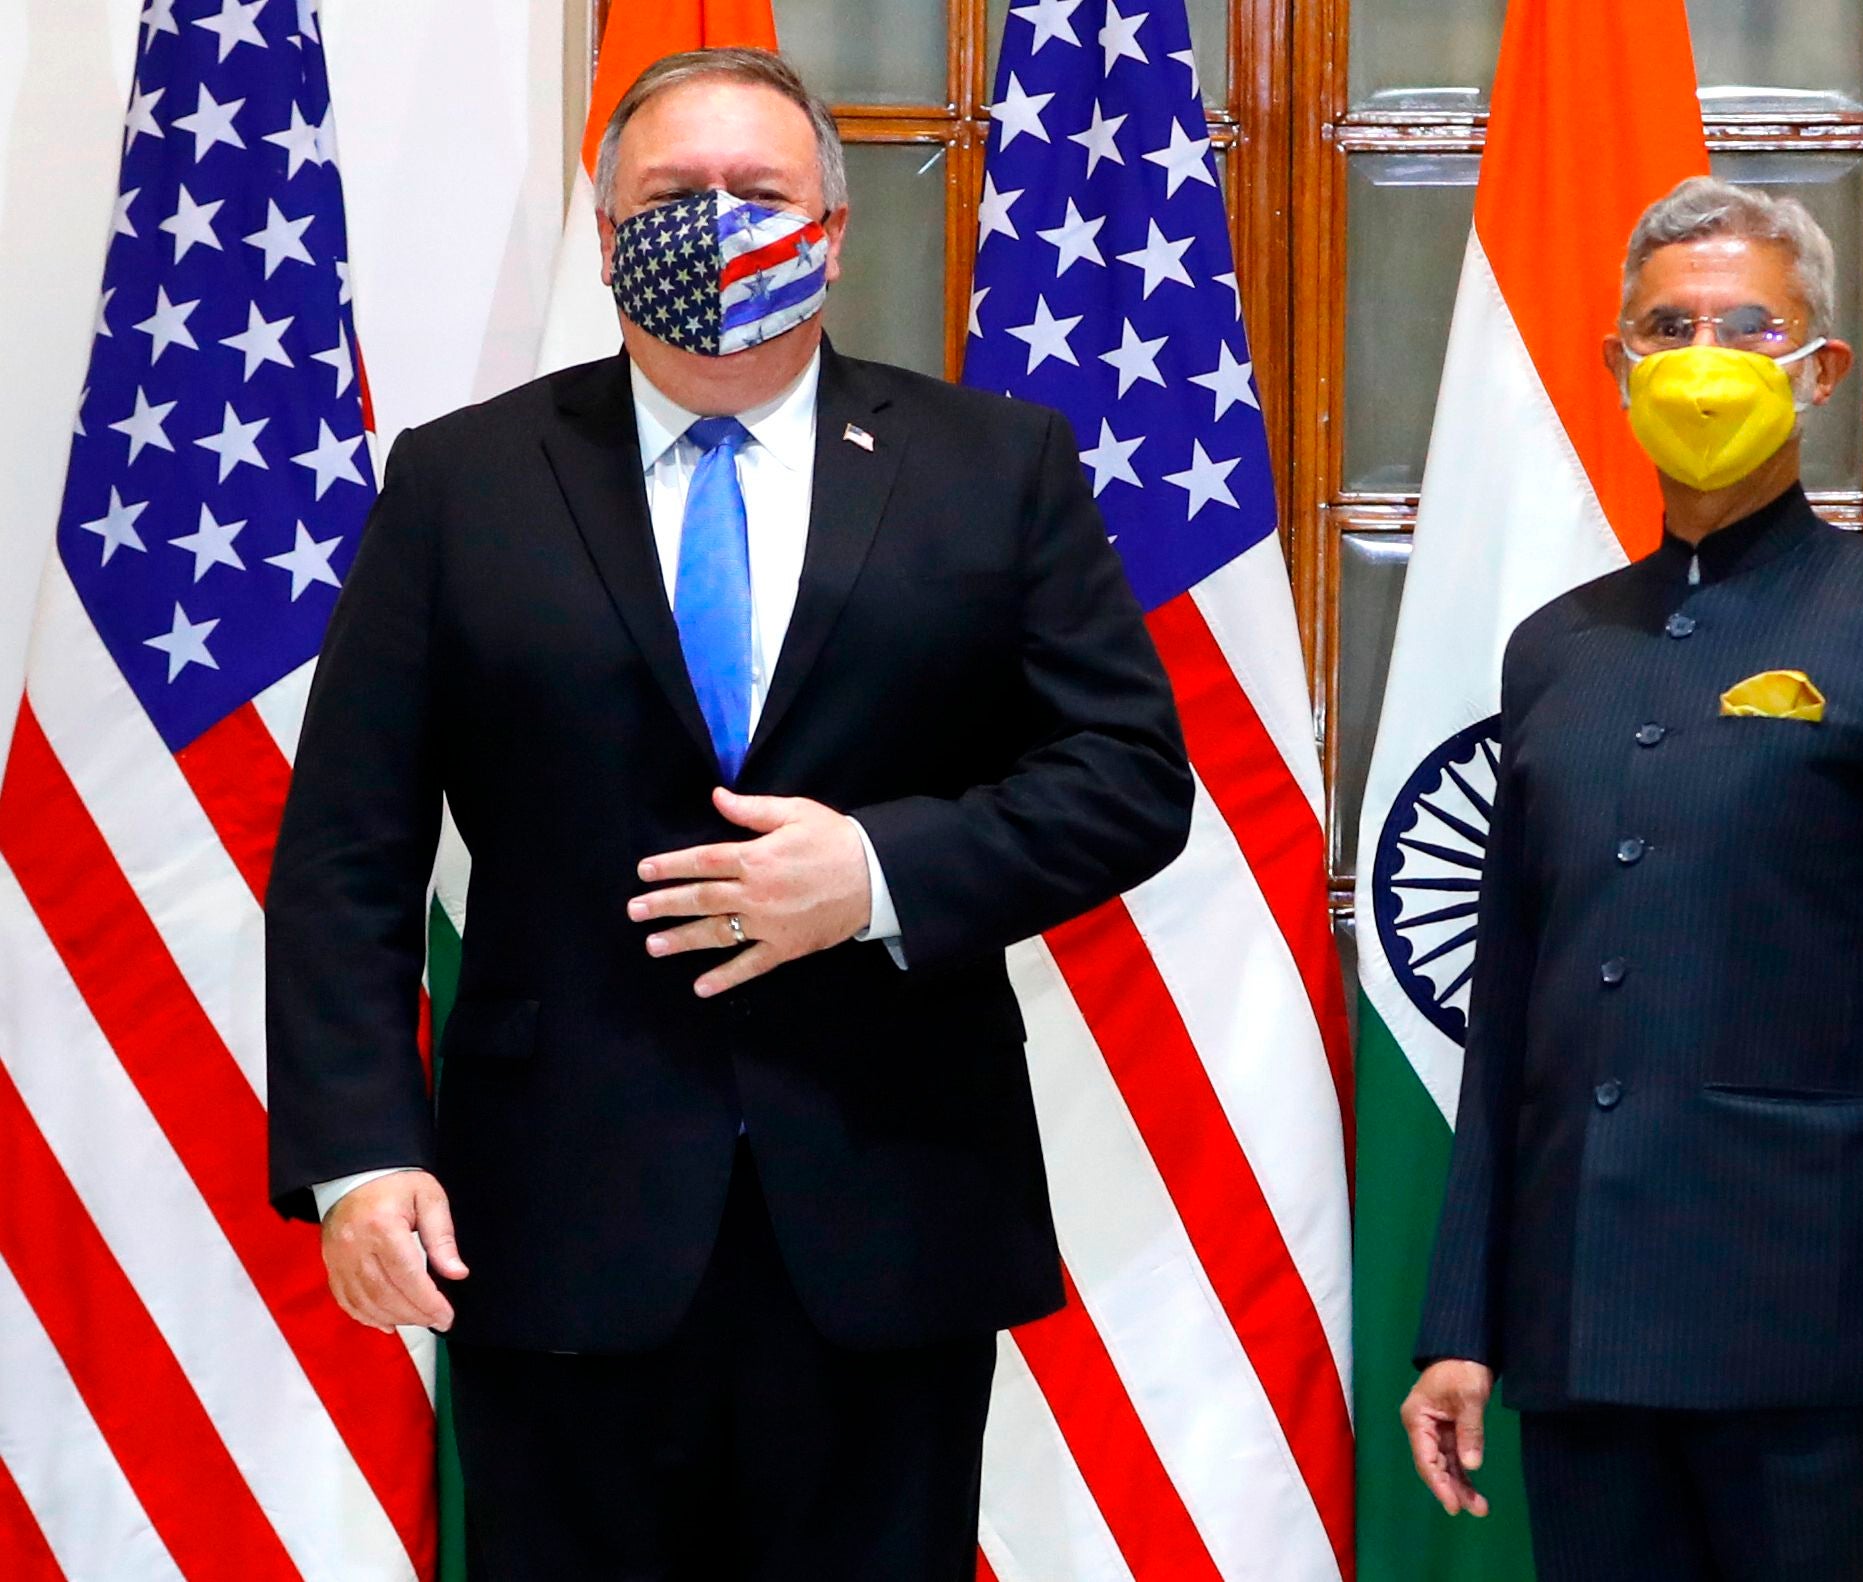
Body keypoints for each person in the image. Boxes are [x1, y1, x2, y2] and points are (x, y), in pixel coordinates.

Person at [265, 47, 1193, 1581]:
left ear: (828, 227)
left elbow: (1126, 776)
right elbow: (348, 850)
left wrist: (881, 868)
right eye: (670, 196)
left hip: (887, 1205)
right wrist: (361, 1155)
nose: (711, 222)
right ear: (607, 219)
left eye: (754, 193)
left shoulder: (992, 467)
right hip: (551, 1221)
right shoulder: (463, 482)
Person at [1399, 175, 1863, 1581]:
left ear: (1816, 367)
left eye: (1745, 327)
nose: (1702, 358)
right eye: (1666, 327)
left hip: (1813, 1334)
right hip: (1581, 1332)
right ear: (1617, 361)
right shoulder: (1557, 650)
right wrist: (1461, 1320)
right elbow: (1507, 1017)